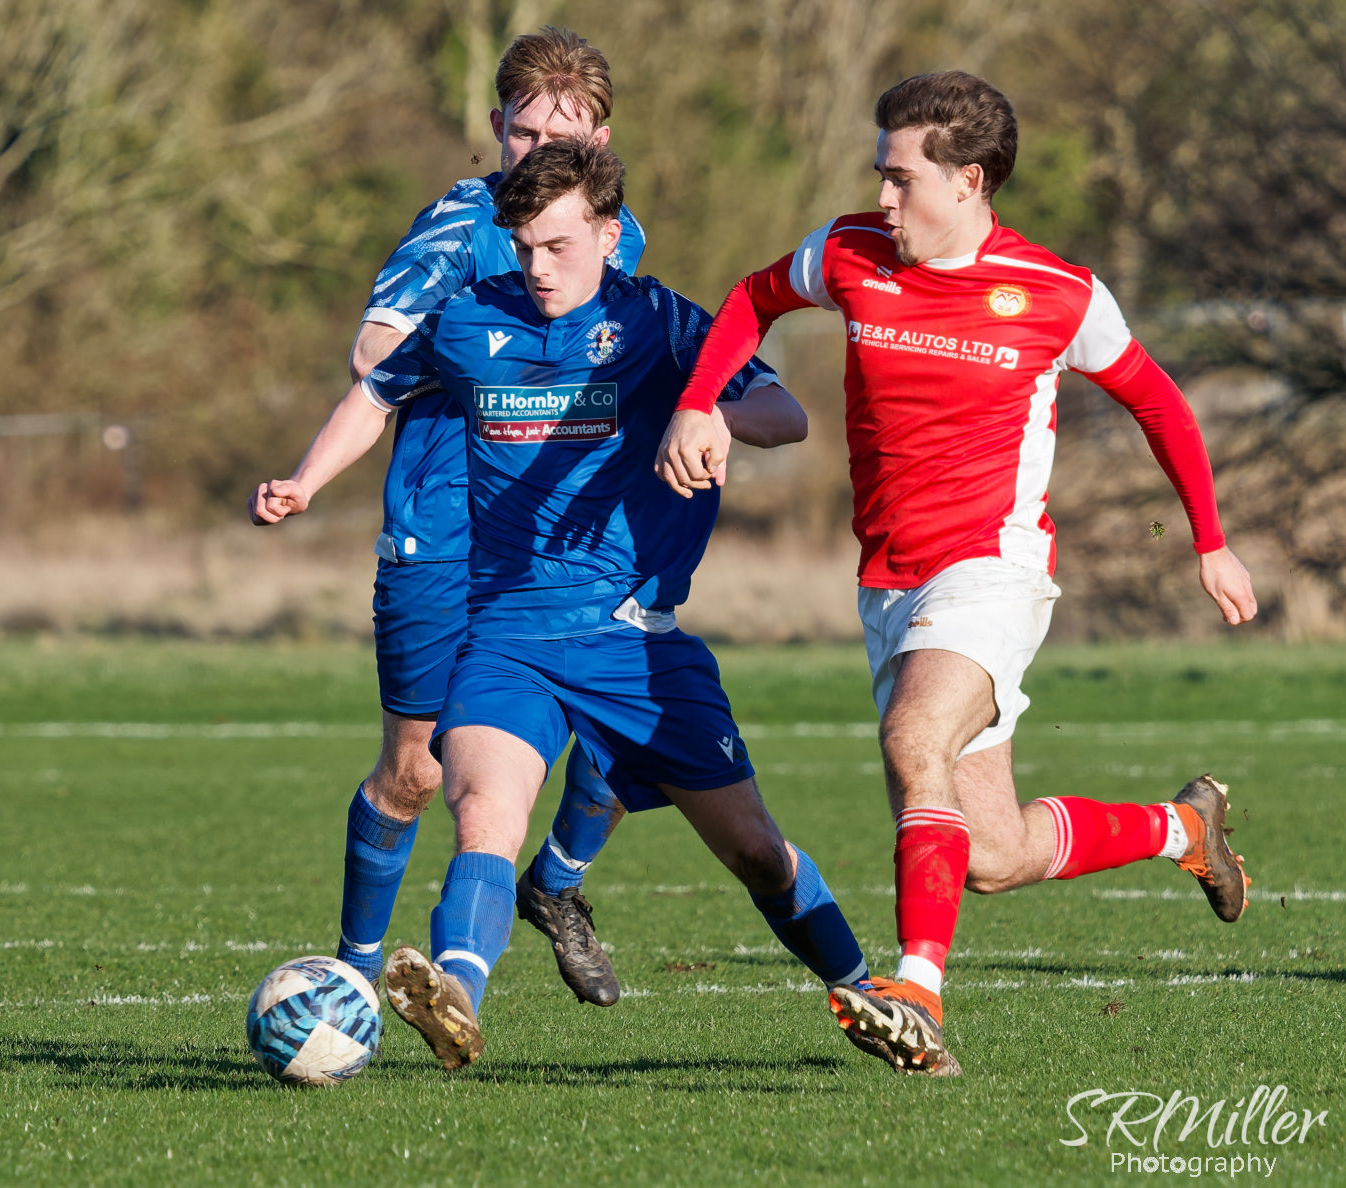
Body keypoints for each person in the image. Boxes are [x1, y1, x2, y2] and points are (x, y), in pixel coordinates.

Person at [654, 71, 1259, 1075]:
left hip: (991, 568)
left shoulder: (1057, 293)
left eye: (901, 178)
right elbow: (753, 299)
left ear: (968, 181)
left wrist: (1210, 540)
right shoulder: (848, 252)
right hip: (887, 583)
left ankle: (917, 994)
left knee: (912, 736)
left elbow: (1157, 403)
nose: (881, 197)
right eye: (879, 174)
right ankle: (1180, 828)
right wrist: (697, 402)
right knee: (991, 854)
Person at [250, 139, 883, 1072]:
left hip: (636, 644)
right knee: (484, 812)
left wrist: (707, 414)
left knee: (754, 849)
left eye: (558, 245)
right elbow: (375, 393)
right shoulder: (468, 319)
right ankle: (455, 996)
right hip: (506, 634)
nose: (539, 267)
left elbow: (786, 417)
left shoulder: (659, 320)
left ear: (609, 233)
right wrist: (305, 482)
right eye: (524, 247)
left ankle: (873, 996)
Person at [328, 27, 646, 1006]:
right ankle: (352, 973)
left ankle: (555, 882)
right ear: (497, 127)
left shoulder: (617, 233)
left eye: (566, 137)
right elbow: (374, 348)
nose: (541, 150)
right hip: (445, 532)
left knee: (630, 733)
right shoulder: (460, 225)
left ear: (601, 143)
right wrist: (475, 345)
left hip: (569, 540)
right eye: (525, 133)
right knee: (416, 774)